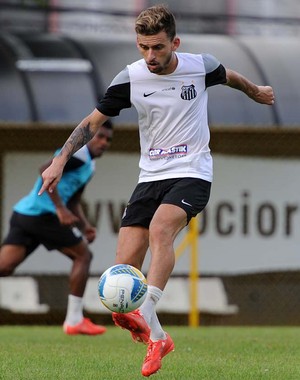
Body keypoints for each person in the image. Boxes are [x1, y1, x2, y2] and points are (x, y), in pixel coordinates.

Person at [38, 4, 275, 377]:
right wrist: (60, 160)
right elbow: (91, 122)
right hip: (150, 177)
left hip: (192, 171)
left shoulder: (200, 66)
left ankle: (148, 309)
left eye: (158, 48)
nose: (150, 56)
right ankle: (159, 337)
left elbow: (229, 75)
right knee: (122, 274)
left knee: (161, 230)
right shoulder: (130, 78)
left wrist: (256, 91)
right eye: (144, 47)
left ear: (174, 43)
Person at [0, 120, 113, 336]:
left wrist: (85, 225)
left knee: (4, 267)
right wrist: (60, 210)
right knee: (84, 256)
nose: (104, 142)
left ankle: (75, 319)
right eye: (99, 136)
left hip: (26, 214)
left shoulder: (90, 165)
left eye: (108, 139)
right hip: (44, 215)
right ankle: (74, 320)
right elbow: (46, 170)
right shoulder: (78, 154)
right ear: (89, 138)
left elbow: (73, 201)